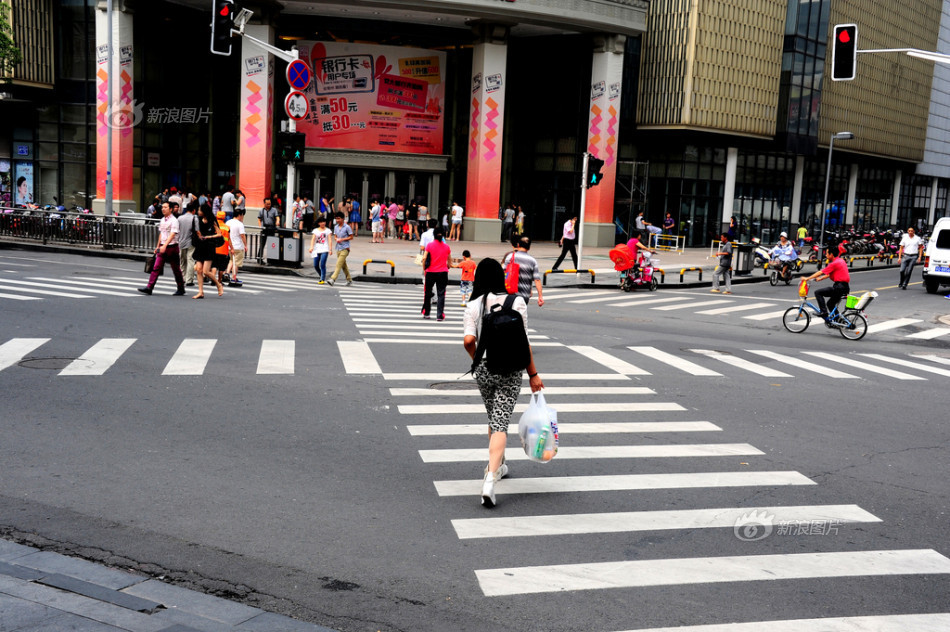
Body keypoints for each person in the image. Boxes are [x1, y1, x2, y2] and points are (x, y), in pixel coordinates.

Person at [462, 258, 544, 508]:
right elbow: (524, 343)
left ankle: (498, 465)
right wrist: (533, 375)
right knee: (500, 423)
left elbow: (467, 340)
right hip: (509, 369)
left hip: (485, 369)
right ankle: (490, 479)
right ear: (500, 276)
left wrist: (477, 359)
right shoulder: (517, 301)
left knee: (493, 419)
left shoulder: (473, 304)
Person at [138, 202, 186, 296]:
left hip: (172, 247)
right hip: (163, 246)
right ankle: (149, 287)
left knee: (176, 268)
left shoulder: (174, 220)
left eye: (165, 207)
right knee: (156, 267)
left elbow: (173, 234)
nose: (163, 209)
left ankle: (181, 288)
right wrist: (158, 246)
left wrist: (164, 246)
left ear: (171, 209)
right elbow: (161, 234)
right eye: (162, 207)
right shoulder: (163, 220)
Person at [802, 244, 850, 320]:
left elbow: (820, 272)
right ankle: (838, 320)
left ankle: (823, 312)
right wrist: (821, 279)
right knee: (830, 304)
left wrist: (807, 278)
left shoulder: (834, 263)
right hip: (844, 287)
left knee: (818, 292)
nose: (826, 255)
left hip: (839, 288)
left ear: (831, 254)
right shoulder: (841, 261)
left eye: (827, 253)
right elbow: (830, 273)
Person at [190, 204, 225, 298]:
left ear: (204, 211)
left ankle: (218, 284)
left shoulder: (212, 220)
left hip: (209, 247)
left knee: (206, 271)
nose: (198, 211)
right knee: (199, 270)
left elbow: (219, 234)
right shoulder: (197, 219)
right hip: (200, 246)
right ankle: (200, 292)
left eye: (199, 210)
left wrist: (208, 237)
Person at [501, 236, 544, 307]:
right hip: (524, 296)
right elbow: (537, 280)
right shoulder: (532, 261)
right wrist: (540, 296)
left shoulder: (510, 257)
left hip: (510, 294)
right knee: (521, 316)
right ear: (529, 248)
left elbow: (503, 274)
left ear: (518, 245)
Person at [422, 228, 450, 320]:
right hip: (443, 272)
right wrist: (448, 266)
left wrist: (424, 268)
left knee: (428, 293)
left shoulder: (429, 246)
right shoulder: (447, 247)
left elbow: (424, 258)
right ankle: (440, 315)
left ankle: (426, 313)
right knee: (441, 294)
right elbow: (450, 261)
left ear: (434, 235)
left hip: (430, 272)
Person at [327, 211, 353, 286]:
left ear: (342, 219)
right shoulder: (336, 227)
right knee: (343, 265)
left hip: (345, 248)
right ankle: (349, 280)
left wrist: (342, 239)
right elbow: (335, 236)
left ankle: (333, 279)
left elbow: (351, 237)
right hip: (338, 248)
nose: (337, 220)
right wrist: (336, 239)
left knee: (338, 264)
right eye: (336, 219)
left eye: (339, 218)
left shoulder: (347, 227)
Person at [225, 208, 247, 286]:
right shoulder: (240, 224)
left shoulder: (228, 222)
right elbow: (242, 235)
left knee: (231, 260)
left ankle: (227, 273)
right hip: (238, 246)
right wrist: (245, 245)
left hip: (230, 246)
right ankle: (234, 277)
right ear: (240, 215)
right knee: (236, 263)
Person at [178, 203, 197, 286]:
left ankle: (182, 278)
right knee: (190, 260)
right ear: (194, 210)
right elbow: (197, 231)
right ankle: (189, 280)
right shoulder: (194, 218)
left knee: (182, 261)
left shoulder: (180, 218)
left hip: (181, 242)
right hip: (191, 242)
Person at [309, 215, 332, 284]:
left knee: (322, 264)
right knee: (316, 265)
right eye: (321, 222)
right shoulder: (315, 230)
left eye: (324, 222)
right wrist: (311, 247)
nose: (323, 223)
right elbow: (313, 239)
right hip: (316, 250)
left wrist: (330, 249)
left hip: (325, 249)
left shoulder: (328, 230)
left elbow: (330, 240)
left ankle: (322, 279)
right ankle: (322, 275)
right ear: (318, 223)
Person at [257, 197, 279, 263]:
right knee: (262, 244)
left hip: (271, 228)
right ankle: (259, 259)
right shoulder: (261, 210)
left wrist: (277, 221)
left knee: (272, 244)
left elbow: (277, 217)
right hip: (264, 228)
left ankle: (271, 259)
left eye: (269, 204)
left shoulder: (274, 210)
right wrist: (260, 226)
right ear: (264, 204)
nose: (269, 205)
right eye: (267, 204)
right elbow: (259, 219)